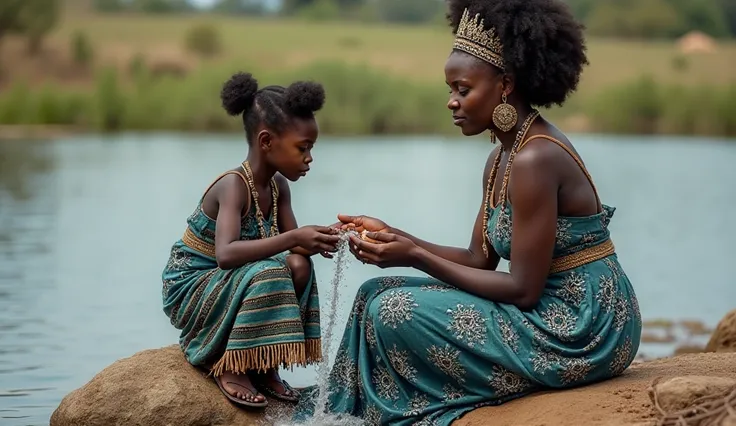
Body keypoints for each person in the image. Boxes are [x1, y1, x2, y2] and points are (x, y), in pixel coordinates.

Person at [293, 0, 642, 424]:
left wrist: (415, 256)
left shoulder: (536, 160)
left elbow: (523, 290)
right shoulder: (501, 159)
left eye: (462, 89)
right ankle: (341, 407)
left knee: (394, 310)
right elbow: (478, 259)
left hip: (583, 325)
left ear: (506, 85)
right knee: (373, 294)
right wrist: (396, 236)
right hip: (541, 307)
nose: (451, 102)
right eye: (450, 89)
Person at [161, 71, 342, 408]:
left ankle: (263, 363)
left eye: (311, 148)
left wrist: (330, 236)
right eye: (303, 148)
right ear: (266, 142)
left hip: (232, 281)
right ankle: (230, 365)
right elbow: (226, 254)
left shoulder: (278, 187)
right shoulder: (234, 185)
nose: (309, 158)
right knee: (270, 272)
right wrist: (294, 237)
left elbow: (296, 246)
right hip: (193, 284)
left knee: (300, 266)